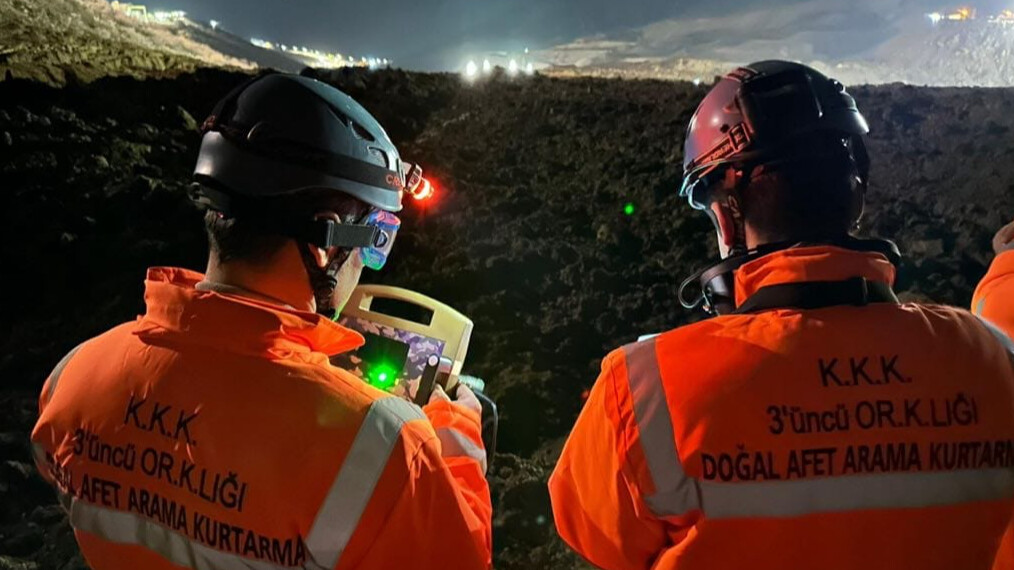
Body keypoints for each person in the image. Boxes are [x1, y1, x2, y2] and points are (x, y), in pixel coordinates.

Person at [549, 60, 1014, 570]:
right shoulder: (990, 358)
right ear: (854, 192)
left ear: (726, 215)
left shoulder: (643, 389)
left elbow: (594, 534)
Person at [30, 73, 492, 570]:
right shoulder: (384, 448)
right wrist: (453, 442)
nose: (368, 261)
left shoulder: (71, 378)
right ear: (325, 245)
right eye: (376, 239)